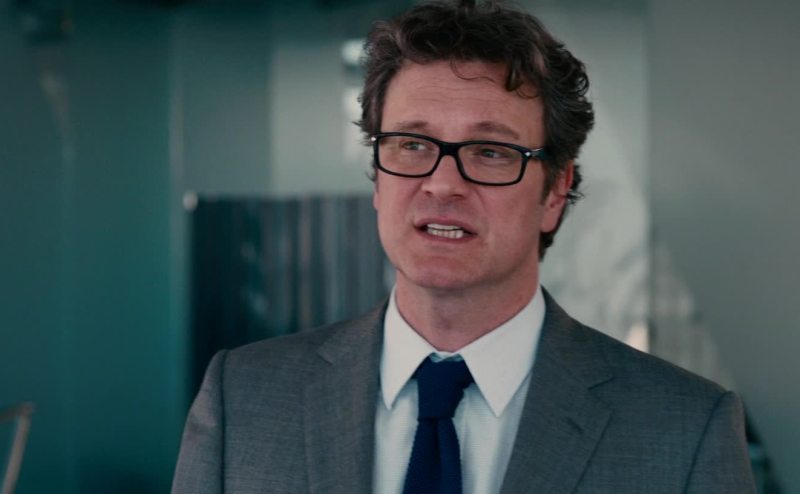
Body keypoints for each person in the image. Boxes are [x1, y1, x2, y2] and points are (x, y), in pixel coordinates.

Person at [172, 1, 756, 493]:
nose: (442, 183)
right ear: (377, 177)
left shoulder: (685, 429)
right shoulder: (242, 398)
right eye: (411, 144)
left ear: (555, 191)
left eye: (491, 152)